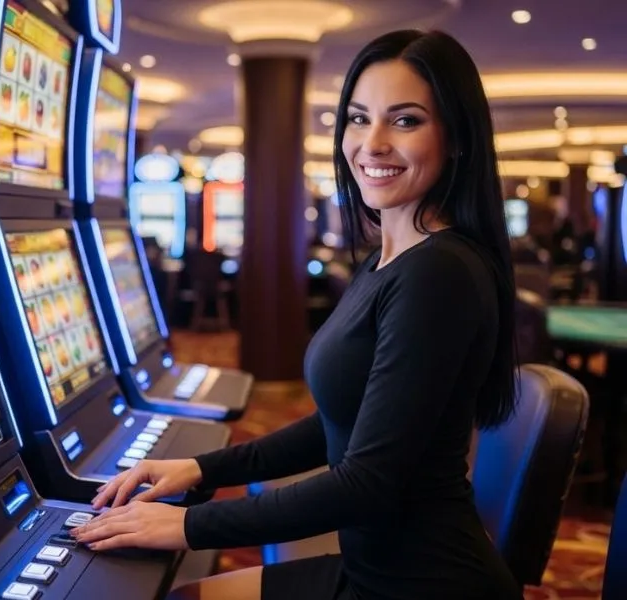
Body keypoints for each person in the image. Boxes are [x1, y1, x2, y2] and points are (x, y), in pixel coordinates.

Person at [71, 29, 523, 600]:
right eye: (359, 118)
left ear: (456, 137)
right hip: (372, 566)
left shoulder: (440, 274)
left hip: (421, 583)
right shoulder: (386, 260)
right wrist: (203, 469)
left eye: (405, 121)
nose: (372, 143)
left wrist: (189, 525)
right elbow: (340, 425)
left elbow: (367, 484)